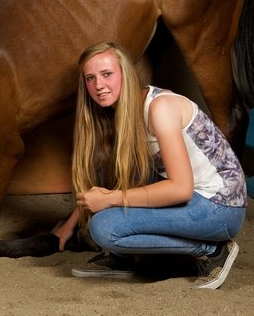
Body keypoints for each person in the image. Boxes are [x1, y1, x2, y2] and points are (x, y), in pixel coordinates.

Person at [54, 42, 247, 289]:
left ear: (125, 73)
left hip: (220, 206)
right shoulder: (120, 112)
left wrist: (112, 199)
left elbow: (180, 189)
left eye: (107, 74)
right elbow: (111, 179)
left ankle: (211, 250)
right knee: (120, 168)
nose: (99, 85)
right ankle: (121, 257)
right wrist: (70, 226)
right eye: (90, 78)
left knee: (103, 228)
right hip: (194, 196)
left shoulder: (160, 108)